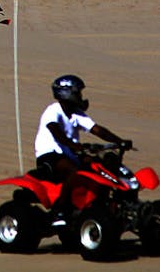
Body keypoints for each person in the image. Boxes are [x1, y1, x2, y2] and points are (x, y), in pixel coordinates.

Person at [34, 75, 132, 222]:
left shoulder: (76, 114)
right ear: (67, 93)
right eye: (78, 93)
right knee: (75, 172)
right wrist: (74, 146)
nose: (80, 96)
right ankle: (60, 210)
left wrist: (120, 141)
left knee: (97, 165)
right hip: (50, 155)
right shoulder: (53, 110)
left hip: (69, 154)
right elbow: (55, 131)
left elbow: (97, 130)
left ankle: (98, 204)